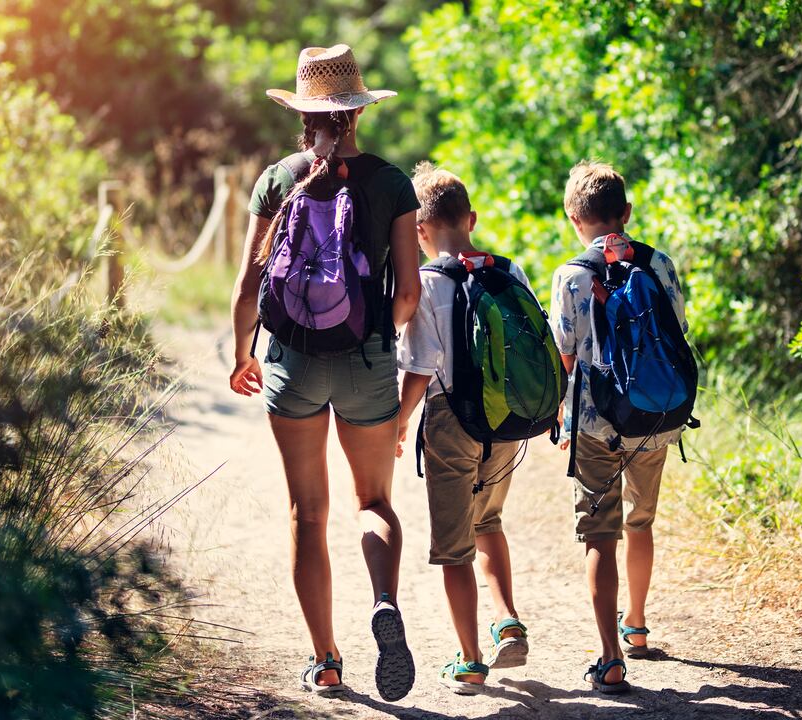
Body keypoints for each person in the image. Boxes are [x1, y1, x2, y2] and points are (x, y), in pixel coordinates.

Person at [228, 44, 421, 701]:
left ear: (303, 115)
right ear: (357, 112)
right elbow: (409, 297)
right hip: (366, 362)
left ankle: (327, 660)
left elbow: (248, 286)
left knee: (307, 514)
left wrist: (241, 355)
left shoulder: (276, 178)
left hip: (292, 365)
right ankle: (385, 601)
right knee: (374, 503)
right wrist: (375, 341)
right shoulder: (393, 183)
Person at [549, 161, 691, 694]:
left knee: (599, 536)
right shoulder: (660, 265)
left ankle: (609, 658)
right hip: (655, 418)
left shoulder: (571, 275)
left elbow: (564, 355)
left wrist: (561, 415)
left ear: (572, 217)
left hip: (594, 423)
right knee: (642, 522)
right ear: (625, 213)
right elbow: (678, 334)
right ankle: (636, 624)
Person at [395, 163, 536, 695]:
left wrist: (401, 422)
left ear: (418, 230)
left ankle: (471, 660)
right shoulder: (510, 271)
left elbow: (421, 365)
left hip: (452, 422)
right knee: (490, 520)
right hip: (506, 422)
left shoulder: (427, 283)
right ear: (471, 219)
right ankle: (507, 620)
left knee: (454, 547)